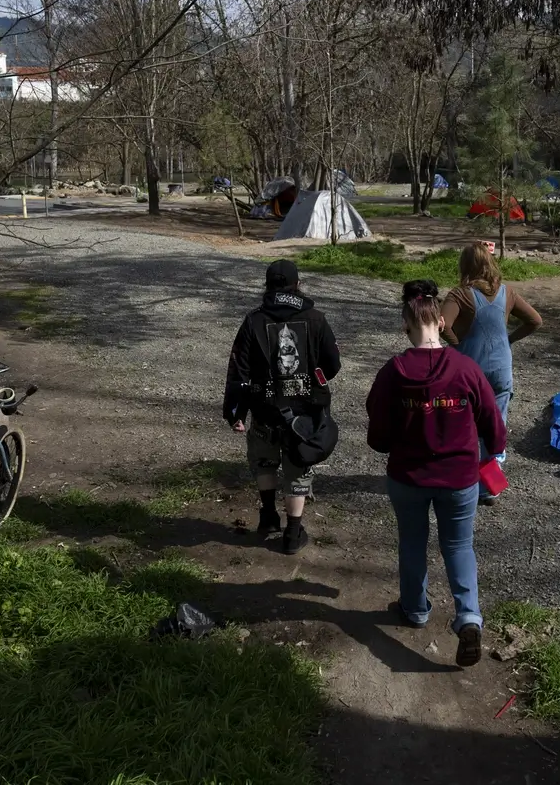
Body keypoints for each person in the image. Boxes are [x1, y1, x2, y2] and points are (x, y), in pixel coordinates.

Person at [366, 280, 506, 667]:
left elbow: (377, 430)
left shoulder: (393, 372)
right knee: (459, 546)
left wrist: (388, 441)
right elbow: (492, 421)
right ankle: (469, 617)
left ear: (405, 325)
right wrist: (493, 449)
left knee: (412, 543)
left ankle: (414, 609)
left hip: (408, 477)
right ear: (441, 324)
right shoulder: (466, 369)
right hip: (460, 478)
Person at [223, 259, 341, 554]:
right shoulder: (316, 318)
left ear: (267, 286)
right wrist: (314, 379)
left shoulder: (253, 320)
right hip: (305, 412)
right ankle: (292, 533)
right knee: (297, 468)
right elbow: (333, 364)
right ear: (297, 284)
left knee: (264, 460)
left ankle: (267, 516)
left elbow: (239, 369)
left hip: (264, 409)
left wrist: (235, 411)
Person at [439, 242, 542, 503]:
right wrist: (509, 340)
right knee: (495, 427)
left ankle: (459, 482)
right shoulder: (508, 293)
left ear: (465, 265)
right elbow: (535, 321)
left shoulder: (459, 294)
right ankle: (489, 487)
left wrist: (457, 345)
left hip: (469, 371)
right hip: (501, 369)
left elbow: (442, 325)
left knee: (461, 425)